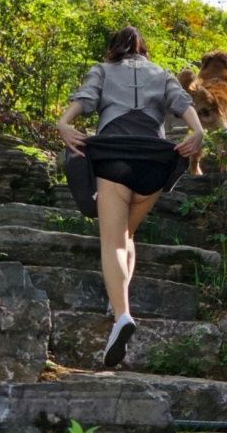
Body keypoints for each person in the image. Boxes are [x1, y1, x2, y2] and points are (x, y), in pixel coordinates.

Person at [57, 26, 204, 368]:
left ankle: (121, 315)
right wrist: (198, 131)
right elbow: (182, 103)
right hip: (155, 161)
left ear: (113, 49)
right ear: (144, 49)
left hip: (115, 156)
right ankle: (118, 296)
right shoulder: (162, 73)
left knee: (113, 242)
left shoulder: (103, 70)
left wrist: (63, 123)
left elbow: (85, 99)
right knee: (127, 235)